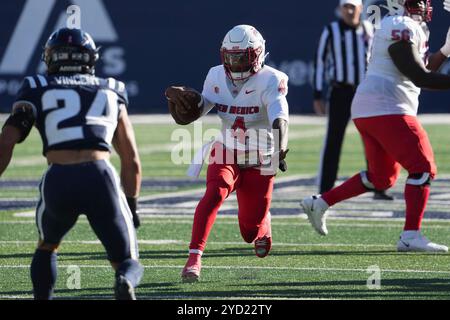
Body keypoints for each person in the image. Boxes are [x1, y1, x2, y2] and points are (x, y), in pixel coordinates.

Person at [0, 28, 144, 299]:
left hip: (59, 177)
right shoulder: (111, 89)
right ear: (90, 59)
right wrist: (132, 206)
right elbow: (131, 159)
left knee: (47, 245)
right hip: (100, 177)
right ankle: (124, 280)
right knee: (127, 260)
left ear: (50, 57)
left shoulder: (36, 87)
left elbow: (6, 141)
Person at [302, 0, 450, 252]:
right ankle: (410, 235)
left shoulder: (410, 27)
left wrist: (446, 50)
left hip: (373, 107)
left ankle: (321, 203)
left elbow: (423, 71)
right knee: (423, 167)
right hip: (387, 106)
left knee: (382, 178)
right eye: (419, 1)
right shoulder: (398, 24)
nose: (425, 6)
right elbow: (419, 76)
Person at [166, 25, 290, 282]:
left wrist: (281, 146)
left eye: (241, 57)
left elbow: (280, 117)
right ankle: (193, 260)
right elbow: (199, 109)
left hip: (262, 156)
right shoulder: (215, 75)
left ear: (257, 54)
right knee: (214, 192)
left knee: (249, 230)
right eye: (231, 57)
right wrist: (184, 105)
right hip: (227, 149)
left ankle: (263, 224)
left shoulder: (271, 79)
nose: (235, 64)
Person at [313, 0, 394, 200]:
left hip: (365, 91)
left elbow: (377, 60)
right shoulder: (331, 30)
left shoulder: (369, 29)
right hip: (340, 92)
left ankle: (379, 185)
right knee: (334, 140)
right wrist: (317, 94)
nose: (349, 11)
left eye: (352, 7)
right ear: (340, 9)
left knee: (374, 139)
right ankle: (325, 189)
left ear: (360, 8)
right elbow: (320, 63)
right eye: (345, 7)